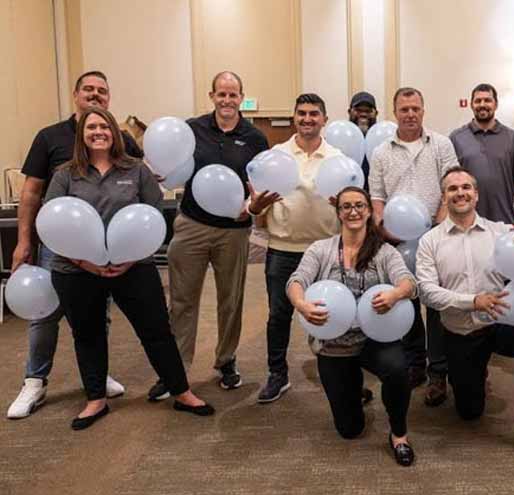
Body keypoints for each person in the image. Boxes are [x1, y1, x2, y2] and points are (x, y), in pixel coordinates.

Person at [43, 107, 214, 430]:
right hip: (77, 270)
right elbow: (52, 222)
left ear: (115, 133)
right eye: (91, 127)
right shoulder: (65, 174)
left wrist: (129, 258)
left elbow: (153, 217)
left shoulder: (136, 170)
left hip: (133, 266)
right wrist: (87, 262)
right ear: (81, 135)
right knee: (88, 335)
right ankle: (96, 399)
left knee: (157, 331)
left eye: (104, 126)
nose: (98, 132)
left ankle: (182, 391)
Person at [8, 70, 140, 419]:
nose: (95, 95)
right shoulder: (49, 137)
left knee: (99, 314)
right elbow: (31, 193)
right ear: (75, 94)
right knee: (45, 313)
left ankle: (96, 375)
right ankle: (35, 380)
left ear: (108, 98)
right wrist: (24, 241)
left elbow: (140, 175)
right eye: (89, 89)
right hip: (58, 245)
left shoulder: (120, 137)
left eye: (102, 91)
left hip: (104, 244)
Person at [417, 166, 514, 467]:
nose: (460, 193)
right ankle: (475, 374)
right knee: (469, 412)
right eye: (453, 189)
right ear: (444, 197)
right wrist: (473, 301)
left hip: (500, 322)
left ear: (476, 194)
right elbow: (427, 292)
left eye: (466, 187)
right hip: (461, 332)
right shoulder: (430, 241)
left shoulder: (500, 232)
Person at [151, 71, 270, 400]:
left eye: (233, 95)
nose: (227, 100)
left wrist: (252, 208)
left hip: (234, 229)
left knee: (230, 300)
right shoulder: (192, 129)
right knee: (182, 300)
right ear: (212, 96)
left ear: (241, 98)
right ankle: (176, 370)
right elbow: (173, 167)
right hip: (192, 225)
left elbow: (261, 184)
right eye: (222, 94)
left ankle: (226, 359)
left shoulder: (255, 138)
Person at [288, 186, 416, 466]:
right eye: (346, 206)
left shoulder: (383, 251)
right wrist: (301, 304)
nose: (353, 211)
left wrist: (396, 294)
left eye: (359, 205)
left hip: (375, 339)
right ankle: (356, 391)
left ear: (369, 211)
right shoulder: (320, 249)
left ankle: (399, 435)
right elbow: (297, 280)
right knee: (350, 430)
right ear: (338, 213)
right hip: (334, 344)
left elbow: (408, 282)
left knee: (397, 369)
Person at [248, 93, 343, 403]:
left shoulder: (338, 159)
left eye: (314, 113)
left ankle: (340, 375)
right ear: (294, 118)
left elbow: (354, 205)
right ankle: (277, 374)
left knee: (332, 312)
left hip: (326, 250)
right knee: (279, 315)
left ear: (324, 119)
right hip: (282, 249)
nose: (307, 119)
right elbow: (255, 206)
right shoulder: (275, 156)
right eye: (301, 113)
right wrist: (255, 207)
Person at [369, 87, 459, 406]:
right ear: (394, 112)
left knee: (435, 305)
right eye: (404, 109)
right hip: (396, 243)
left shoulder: (442, 145)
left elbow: (452, 187)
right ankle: (415, 364)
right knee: (405, 302)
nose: (410, 114)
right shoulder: (381, 152)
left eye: (415, 108)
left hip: (435, 238)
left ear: (423, 110)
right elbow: (377, 197)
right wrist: (382, 228)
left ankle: (438, 372)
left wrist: (438, 227)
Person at [449, 83, 514, 224]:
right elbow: (449, 182)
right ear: (471, 105)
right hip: (466, 222)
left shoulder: (512, 138)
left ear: (496, 104)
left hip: (504, 221)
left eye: (487, 100)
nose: (482, 104)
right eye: (478, 101)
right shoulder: (456, 138)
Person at [348, 91, 378, 191]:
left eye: (368, 111)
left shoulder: (385, 141)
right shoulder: (338, 141)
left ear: (376, 113)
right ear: (349, 112)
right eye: (358, 110)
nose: (363, 114)